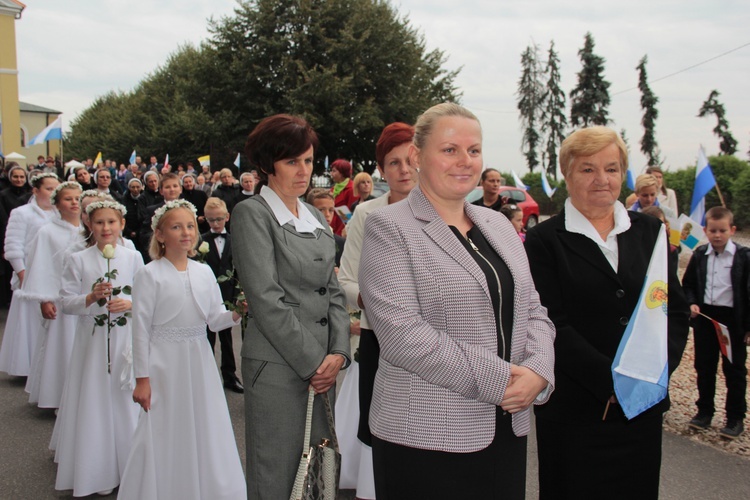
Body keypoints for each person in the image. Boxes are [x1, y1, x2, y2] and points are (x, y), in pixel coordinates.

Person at [359, 103, 555, 499]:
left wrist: (538, 370)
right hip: (426, 439)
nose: (465, 161)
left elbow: (534, 309)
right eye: (450, 149)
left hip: (507, 430)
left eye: (474, 150)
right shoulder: (389, 228)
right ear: (417, 156)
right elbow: (404, 337)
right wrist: (502, 381)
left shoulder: (498, 225)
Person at [524, 126, 690, 499]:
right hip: (576, 411)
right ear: (567, 175)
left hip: (641, 409)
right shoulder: (544, 240)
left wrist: (655, 371)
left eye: (612, 169)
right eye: (588, 169)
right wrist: (613, 381)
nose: (602, 179)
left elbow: (674, 310)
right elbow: (552, 323)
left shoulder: (651, 232)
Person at [231, 114, 351, 499]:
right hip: (280, 368)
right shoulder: (252, 214)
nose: (304, 172)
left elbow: (332, 289)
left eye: (309, 161)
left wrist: (338, 352)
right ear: (268, 165)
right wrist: (314, 362)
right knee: (278, 474)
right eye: (292, 162)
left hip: (321, 368)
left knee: (316, 472)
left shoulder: (315, 215)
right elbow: (266, 298)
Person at [119, 199, 246, 500]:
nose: (186, 232)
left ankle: (207, 487)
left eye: (190, 226)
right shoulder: (149, 274)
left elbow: (215, 320)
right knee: (166, 425)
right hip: (164, 361)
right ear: (160, 235)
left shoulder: (203, 272)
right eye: (176, 227)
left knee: (204, 422)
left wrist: (238, 312)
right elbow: (140, 330)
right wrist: (142, 379)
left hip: (199, 359)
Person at [336, 122, 418, 500]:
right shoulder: (366, 215)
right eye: (394, 162)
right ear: (381, 170)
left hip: (434, 339)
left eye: (411, 159)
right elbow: (347, 281)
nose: (404, 169)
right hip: (378, 339)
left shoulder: (444, 209)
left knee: (426, 423)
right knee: (380, 425)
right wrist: (376, 301)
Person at [52, 199, 143, 497]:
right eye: (100, 222)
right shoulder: (78, 259)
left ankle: (131, 466)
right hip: (92, 341)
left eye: (111, 222)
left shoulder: (133, 257)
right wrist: (90, 298)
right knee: (95, 397)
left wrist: (130, 304)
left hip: (124, 339)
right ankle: (96, 468)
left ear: (122, 225)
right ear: (89, 224)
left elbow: (146, 297)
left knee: (123, 395)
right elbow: (66, 303)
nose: (106, 228)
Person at [682, 206, 749, 439]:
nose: (717, 235)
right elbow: (688, 284)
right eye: (713, 230)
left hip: (732, 320)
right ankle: (704, 412)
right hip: (706, 318)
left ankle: (735, 417)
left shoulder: (743, 257)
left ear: (732, 230)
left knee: (734, 370)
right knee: (704, 366)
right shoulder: (700, 255)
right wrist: (691, 303)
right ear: (705, 230)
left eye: (722, 230)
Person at [23, 182, 83, 409]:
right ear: (57, 204)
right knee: (62, 347)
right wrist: (44, 298)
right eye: (68, 199)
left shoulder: (88, 230)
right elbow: (41, 265)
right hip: (60, 297)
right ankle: (58, 395)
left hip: (85, 297)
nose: (74, 202)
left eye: (77, 198)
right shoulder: (47, 232)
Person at [0, 173, 60, 377]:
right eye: (48, 189)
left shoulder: (58, 214)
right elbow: (13, 246)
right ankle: (26, 366)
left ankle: (47, 366)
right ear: (35, 190)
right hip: (29, 271)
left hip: (53, 273)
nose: (52, 193)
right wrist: (23, 274)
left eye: (55, 189)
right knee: (29, 322)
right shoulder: (21, 213)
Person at [199, 197, 244, 393]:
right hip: (206, 298)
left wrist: (238, 295)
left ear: (227, 217)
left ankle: (229, 375)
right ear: (205, 220)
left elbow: (239, 271)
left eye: (219, 219)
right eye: (211, 220)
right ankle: (204, 375)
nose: (215, 224)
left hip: (228, 296)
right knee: (206, 337)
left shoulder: (236, 241)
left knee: (227, 339)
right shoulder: (200, 241)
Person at [306, 188, 346, 267]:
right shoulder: (303, 238)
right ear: (309, 211)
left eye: (331, 210)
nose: (327, 214)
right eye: (321, 210)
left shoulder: (341, 242)